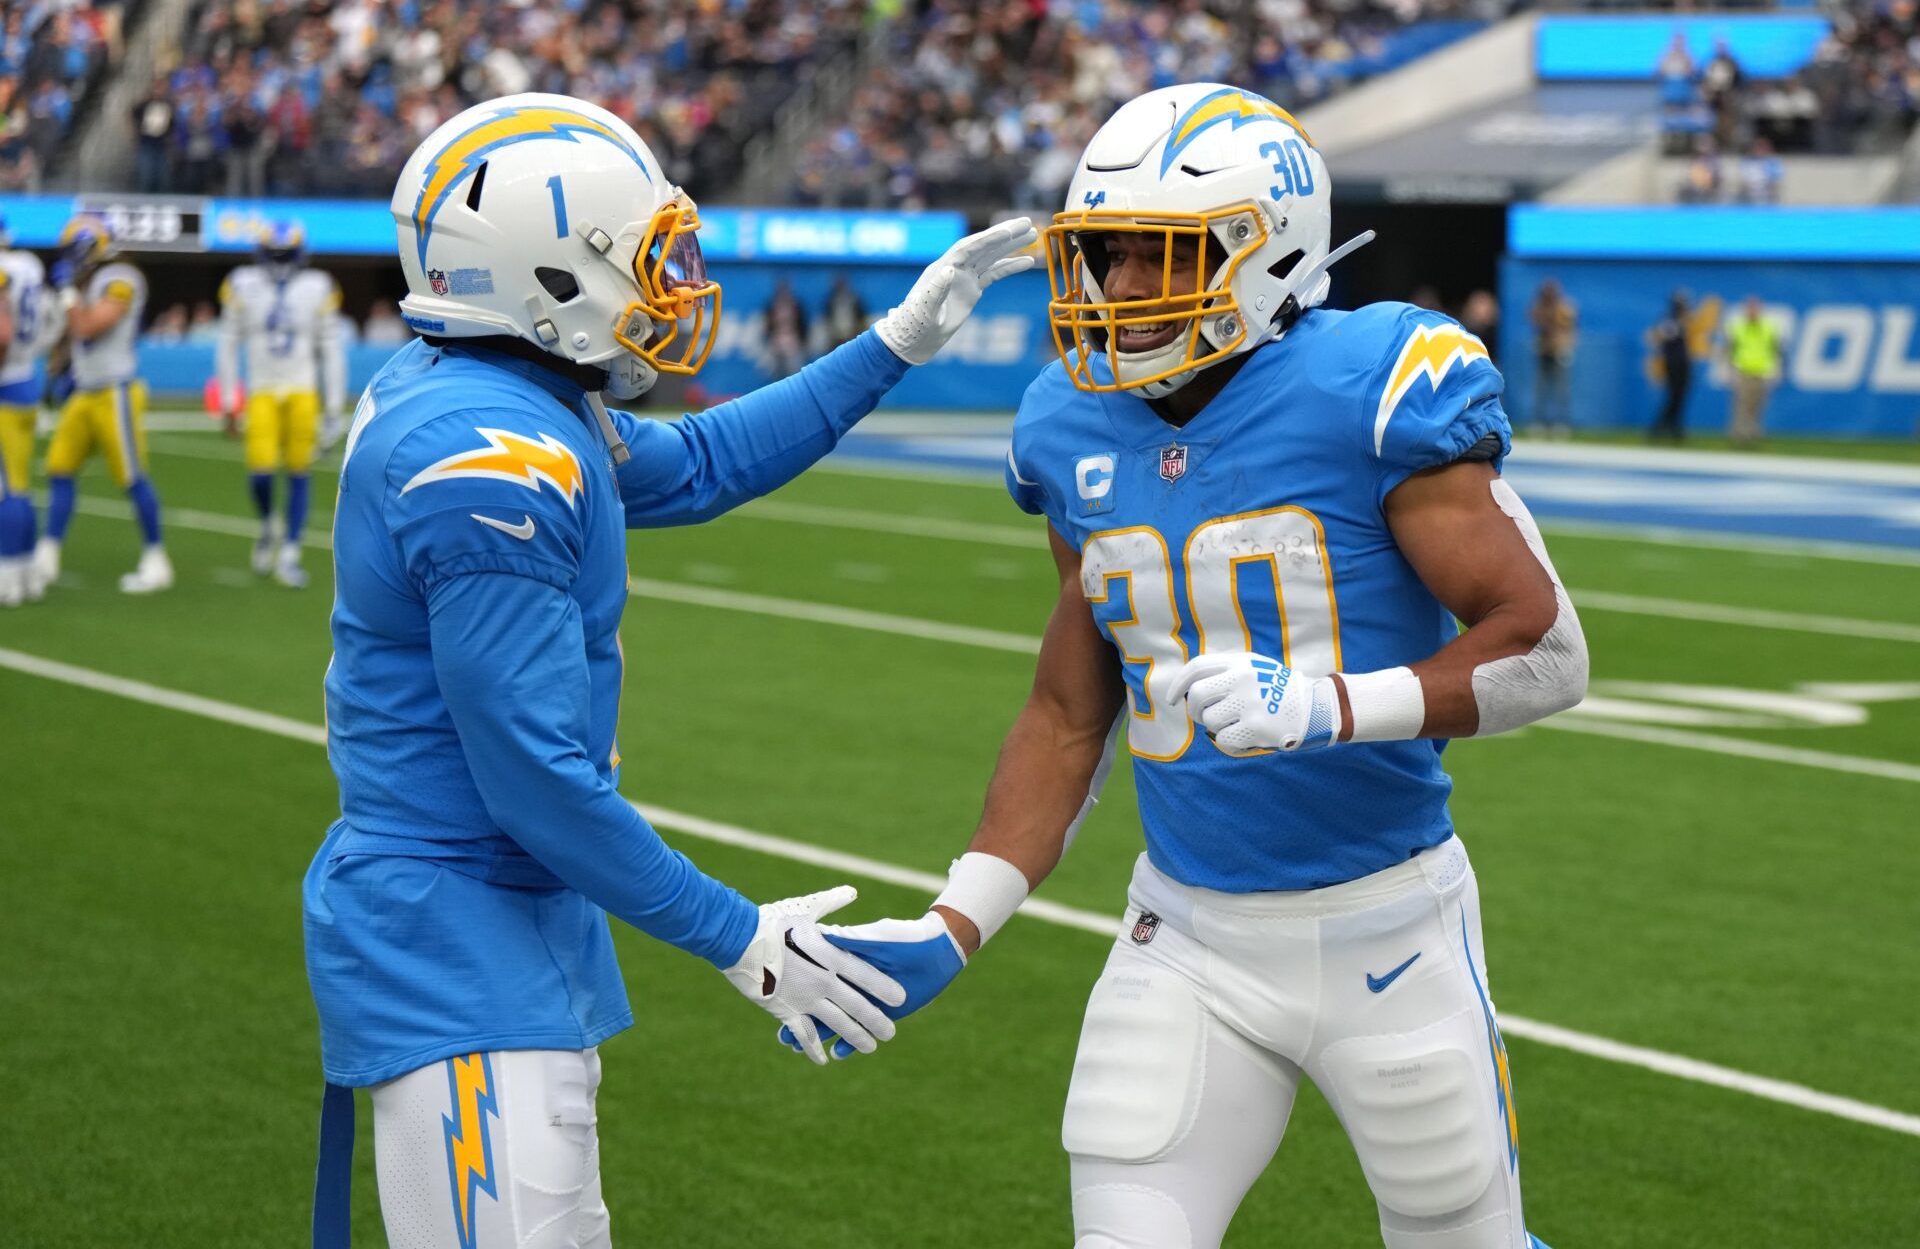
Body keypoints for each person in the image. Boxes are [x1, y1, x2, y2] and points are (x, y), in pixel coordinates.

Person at [811, 84, 1582, 1249]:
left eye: (1154, 258)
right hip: (1187, 932)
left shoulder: (1371, 384)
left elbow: (1547, 649)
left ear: (1267, 256)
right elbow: (1071, 710)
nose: (1117, 291)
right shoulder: (1068, 421)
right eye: (1107, 256)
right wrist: (951, 920)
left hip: (1387, 927)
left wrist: (1328, 705)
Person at [302, 93, 1035, 1248]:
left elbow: (696, 463)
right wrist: (740, 936)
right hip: (456, 922)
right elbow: (535, 782)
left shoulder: (505, 390)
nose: (671, 288)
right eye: (641, 260)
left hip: (500, 908)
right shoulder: (488, 457)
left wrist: (894, 341)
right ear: (546, 275)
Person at [33, 217, 172, 594]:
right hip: (85, 390)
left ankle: (155, 558)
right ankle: (47, 555)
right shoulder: (88, 282)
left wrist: (66, 295)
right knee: (59, 468)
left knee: (131, 476)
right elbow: (72, 338)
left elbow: (90, 326)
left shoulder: (121, 277)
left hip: (116, 391)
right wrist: (56, 369)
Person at [215, 220, 346, 588]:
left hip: (302, 389)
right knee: (260, 472)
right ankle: (270, 523)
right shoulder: (243, 283)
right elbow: (227, 344)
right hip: (262, 389)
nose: (279, 262)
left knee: (299, 472)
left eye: (285, 255)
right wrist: (229, 400)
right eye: (275, 255)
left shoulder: (318, 287)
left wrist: (333, 408)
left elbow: (331, 350)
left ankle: (290, 551)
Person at [0, 212, 52, 605]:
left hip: (5, 383)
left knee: (7, 490)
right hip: (26, 380)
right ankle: (29, 568)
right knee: (19, 483)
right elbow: (51, 318)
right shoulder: (29, 265)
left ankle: (8, 573)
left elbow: (2, 333)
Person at [1725, 294, 1781, 447]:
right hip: (1743, 370)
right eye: (1750, 309)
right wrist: (1730, 369)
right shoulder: (1738, 326)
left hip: (1762, 371)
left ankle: (1753, 433)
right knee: (1742, 404)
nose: (1752, 312)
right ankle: (1739, 435)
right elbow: (1730, 349)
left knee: (1758, 404)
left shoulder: (1769, 327)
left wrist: (1776, 369)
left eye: (1755, 309)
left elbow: (1775, 349)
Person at [1528, 279, 1576, 436]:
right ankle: (1539, 422)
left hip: (1558, 351)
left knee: (1561, 390)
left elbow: (1569, 328)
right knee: (1541, 389)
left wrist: (1567, 348)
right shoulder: (1540, 306)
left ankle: (1561, 423)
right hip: (1544, 352)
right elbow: (1534, 319)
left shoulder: (1564, 307)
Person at [1648, 291, 1693, 441]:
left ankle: (1674, 428)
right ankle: (1659, 428)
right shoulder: (1670, 320)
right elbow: (1658, 336)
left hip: (1682, 362)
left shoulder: (1682, 320)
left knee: (1679, 398)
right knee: (1673, 397)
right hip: (1673, 362)